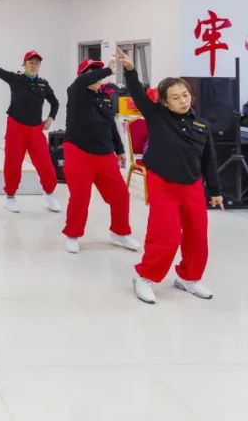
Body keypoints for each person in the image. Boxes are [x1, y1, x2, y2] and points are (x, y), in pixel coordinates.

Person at [118, 49, 223, 304]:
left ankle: (189, 277)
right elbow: (138, 94)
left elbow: (209, 160)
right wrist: (130, 70)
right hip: (163, 183)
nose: (183, 100)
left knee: (197, 236)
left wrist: (215, 191)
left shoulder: (202, 126)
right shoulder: (157, 116)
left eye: (185, 95)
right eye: (176, 97)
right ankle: (144, 277)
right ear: (165, 102)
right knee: (167, 235)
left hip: (192, 186)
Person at [62, 57, 139, 255]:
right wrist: (107, 70)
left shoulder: (104, 97)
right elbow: (82, 81)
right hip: (78, 151)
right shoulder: (76, 92)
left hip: (104, 153)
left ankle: (119, 232)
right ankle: (72, 234)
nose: (96, 76)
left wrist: (120, 150)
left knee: (121, 195)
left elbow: (110, 125)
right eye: (91, 72)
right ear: (82, 76)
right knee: (81, 197)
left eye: (97, 72)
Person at [0, 45, 61, 214]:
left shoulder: (43, 84)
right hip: (16, 128)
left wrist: (51, 118)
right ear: (24, 64)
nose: (34, 64)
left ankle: (49, 194)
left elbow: (55, 103)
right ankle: (10, 196)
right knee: (12, 165)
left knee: (46, 165)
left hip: (36, 130)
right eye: (30, 62)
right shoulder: (15, 79)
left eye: (37, 62)